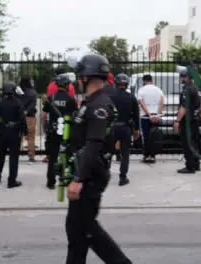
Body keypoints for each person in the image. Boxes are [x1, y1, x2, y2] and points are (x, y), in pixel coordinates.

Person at [65, 54, 132, 264]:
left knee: (86, 229)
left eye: (79, 75)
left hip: (91, 175)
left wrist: (78, 179)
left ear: (85, 77)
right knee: (77, 231)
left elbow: (93, 144)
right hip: (86, 172)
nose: (77, 80)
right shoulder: (91, 102)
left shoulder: (99, 105)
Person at [42, 74, 77, 189]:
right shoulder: (71, 100)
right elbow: (75, 117)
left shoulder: (50, 98)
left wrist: (45, 128)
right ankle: (65, 179)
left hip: (53, 130)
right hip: (66, 131)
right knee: (67, 156)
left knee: (52, 157)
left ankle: (50, 182)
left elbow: (43, 116)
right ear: (67, 85)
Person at [0, 82, 26, 188]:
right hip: (14, 132)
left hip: (3, 131)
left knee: (0, 156)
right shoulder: (18, 103)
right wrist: (24, 131)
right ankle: (11, 181)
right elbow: (22, 119)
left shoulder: (1, 102)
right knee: (13, 157)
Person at [110, 73, 140, 186]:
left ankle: (105, 173)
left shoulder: (110, 96)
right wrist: (137, 130)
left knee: (108, 151)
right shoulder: (131, 97)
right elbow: (136, 115)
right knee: (125, 153)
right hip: (126, 127)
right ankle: (123, 177)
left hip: (112, 127)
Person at [174, 67, 201, 173]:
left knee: (187, 144)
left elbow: (184, 107)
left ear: (186, 77)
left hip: (188, 121)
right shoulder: (195, 87)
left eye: (181, 76)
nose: (180, 78)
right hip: (195, 120)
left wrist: (177, 121)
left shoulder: (187, 89)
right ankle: (196, 164)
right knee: (195, 143)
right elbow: (200, 105)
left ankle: (190, 166)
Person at [136, 74, 164, 163]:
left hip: (145, 116)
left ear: (144, 81)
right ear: (152, 80)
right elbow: (161, 102)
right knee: (154, 136)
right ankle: (153, 155)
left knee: (146, 136)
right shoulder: (158, 89)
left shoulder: (141, 90)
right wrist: (157, 114)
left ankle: (146, 155)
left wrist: (149, 114)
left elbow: (141, 102)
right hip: (156, 115)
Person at [19, 76, 38, 163]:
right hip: (30, 116)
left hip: (19, 116)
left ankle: (14, 153)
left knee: (18, 136)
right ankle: (31, 156)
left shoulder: (19, 92)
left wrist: (22, 111)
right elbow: (33, 105)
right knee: (31, 138)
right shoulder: (33, 92)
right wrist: (27, 111)